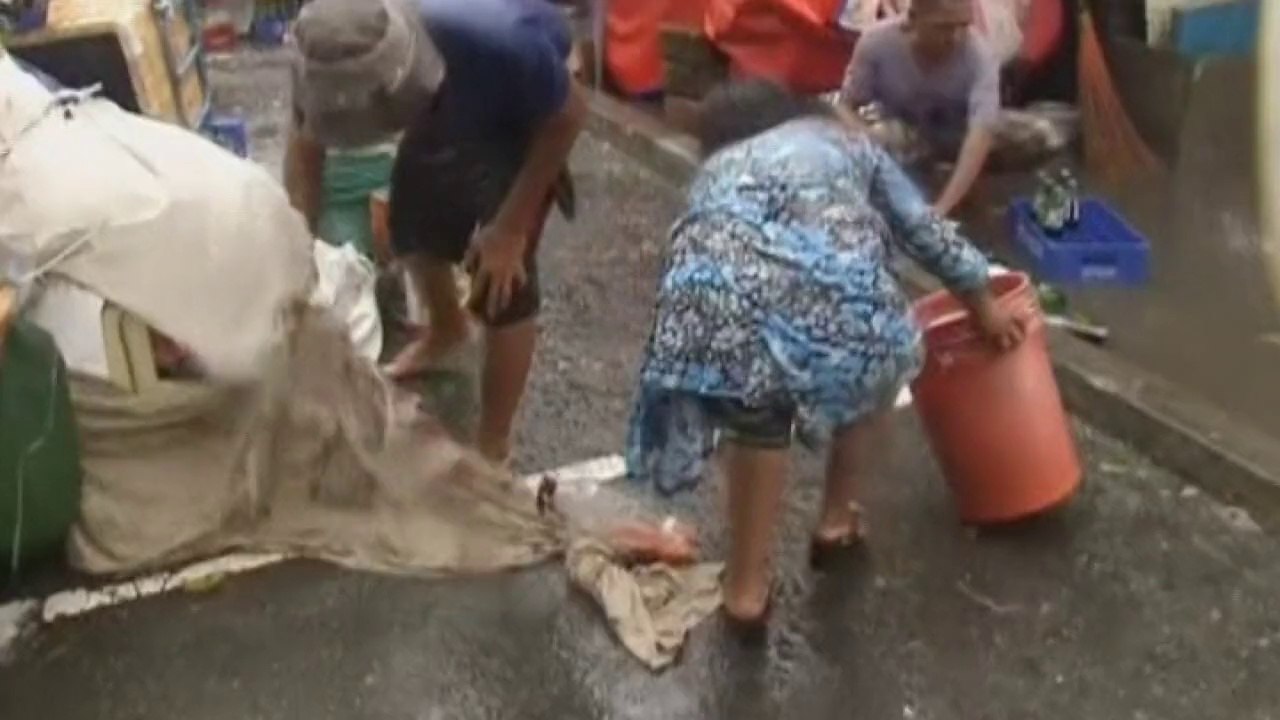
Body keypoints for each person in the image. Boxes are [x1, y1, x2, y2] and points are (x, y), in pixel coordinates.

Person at [626, 80, 1025, 626]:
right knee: (875, 349)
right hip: (822, 298)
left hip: (702, 298)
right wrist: (983, 303)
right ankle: (836, 520)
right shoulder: (842, 141)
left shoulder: (719, 166)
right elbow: (922, 228)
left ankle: (744, 591)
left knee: (756, 408)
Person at [284, 0, 587, 463]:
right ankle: (447, 331)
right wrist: (298, 244)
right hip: (447, 97)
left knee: (502, 281)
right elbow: (306, 147)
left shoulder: (494, 40)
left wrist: (509, 228)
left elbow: (569, 114)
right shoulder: (319, 50)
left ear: (398, 77)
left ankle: (494, 442)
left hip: (526, 108)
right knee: (411, 220)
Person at [839, 0, 1000, 216]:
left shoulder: (980, 57)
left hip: (954, 131)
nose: (956, 37)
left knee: (1038, 135)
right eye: (945, 27)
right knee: (868, 138)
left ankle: (953, 176)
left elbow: (980, 134)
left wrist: (942, 209)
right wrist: (867, 142)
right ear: (914, 19)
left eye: (964, 26)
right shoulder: (876, 42)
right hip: (901, 129)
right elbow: (845, 105)